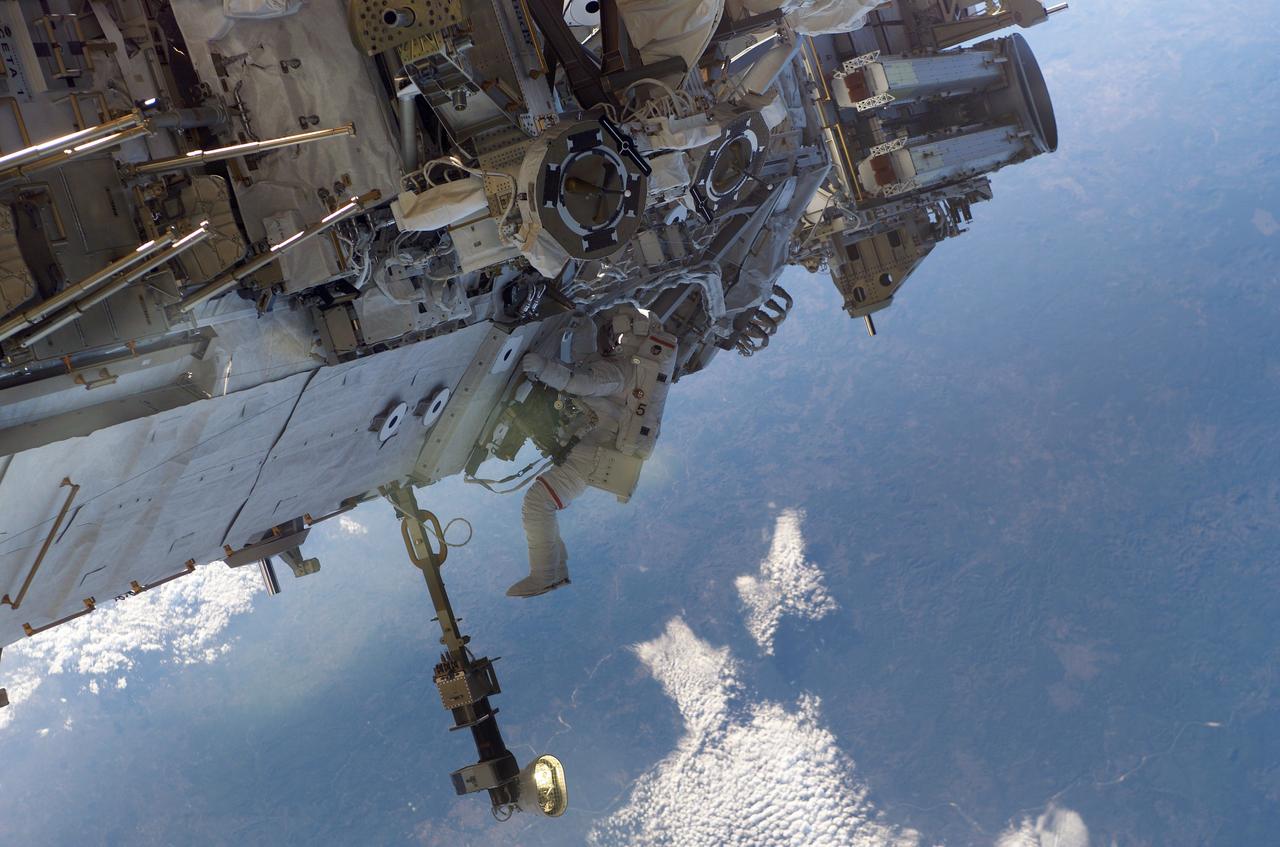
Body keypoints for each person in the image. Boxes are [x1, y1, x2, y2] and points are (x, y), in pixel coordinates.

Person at [507, 307, 677, 597]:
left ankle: (548, 573)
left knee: (539, 503)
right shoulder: (638, 373)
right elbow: (587, 363)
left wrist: (542, 367)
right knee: (540, 504)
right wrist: (583, 321)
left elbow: (582, 380)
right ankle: (551, 572)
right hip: (599, 455)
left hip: (593, 454)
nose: (612, 337)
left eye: (616, 331)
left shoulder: (622, 371)